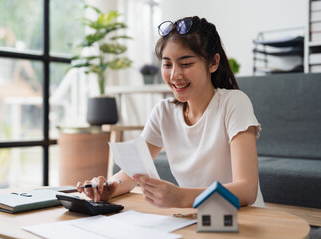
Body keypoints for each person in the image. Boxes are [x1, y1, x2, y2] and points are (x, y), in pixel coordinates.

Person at [77, 16, 264, 208]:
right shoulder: (163, 112)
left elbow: (247, 190)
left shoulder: (234, 103)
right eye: (167, 64)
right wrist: (109, 187)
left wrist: (181, 197)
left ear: (213, 63)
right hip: (195, 217)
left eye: (186, 64)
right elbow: (132, 172)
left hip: (242, 217)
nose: (175, 75)